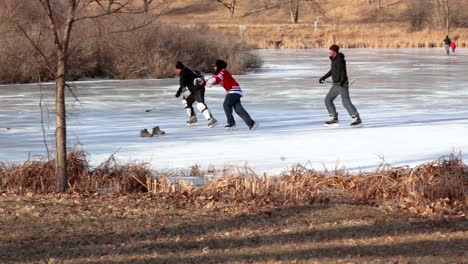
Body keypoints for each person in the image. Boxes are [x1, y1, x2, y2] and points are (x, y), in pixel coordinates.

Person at [206, 60, 258, 130]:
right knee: (238, 109)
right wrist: (201, 81)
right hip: (235, 91)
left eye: (215, 66)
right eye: (213, 66)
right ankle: (252, 123)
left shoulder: (223, 72)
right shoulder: (217, 75)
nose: (214, 67)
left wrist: (212, 81)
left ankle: (231, 123)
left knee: (226, 104)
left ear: (219, 66)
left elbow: (217, 79)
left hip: (234, 90)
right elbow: (211, 80)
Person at [319, 44, 362, 127]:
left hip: (341, 84)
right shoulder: (334, 59)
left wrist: (342, 81)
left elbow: (342, 70)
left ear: (334, 51)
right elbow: (332, 70)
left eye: (330, 51)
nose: (329, 52)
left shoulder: (339, 59)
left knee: (346, 102)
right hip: (336, 85)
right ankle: (334, 118)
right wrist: (324, 77)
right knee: (328, 100)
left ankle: (356, 118)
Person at [175, 61, 218, 127]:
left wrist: (178, 93)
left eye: (177, 69)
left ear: (179, 69)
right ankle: (193, 118)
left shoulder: (184, 73)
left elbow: (182, 85)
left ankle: (212, 120)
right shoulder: (185, 71)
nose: (176, 70)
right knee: (187, 102)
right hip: (194, 90)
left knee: (200, 105)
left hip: (198, 89)